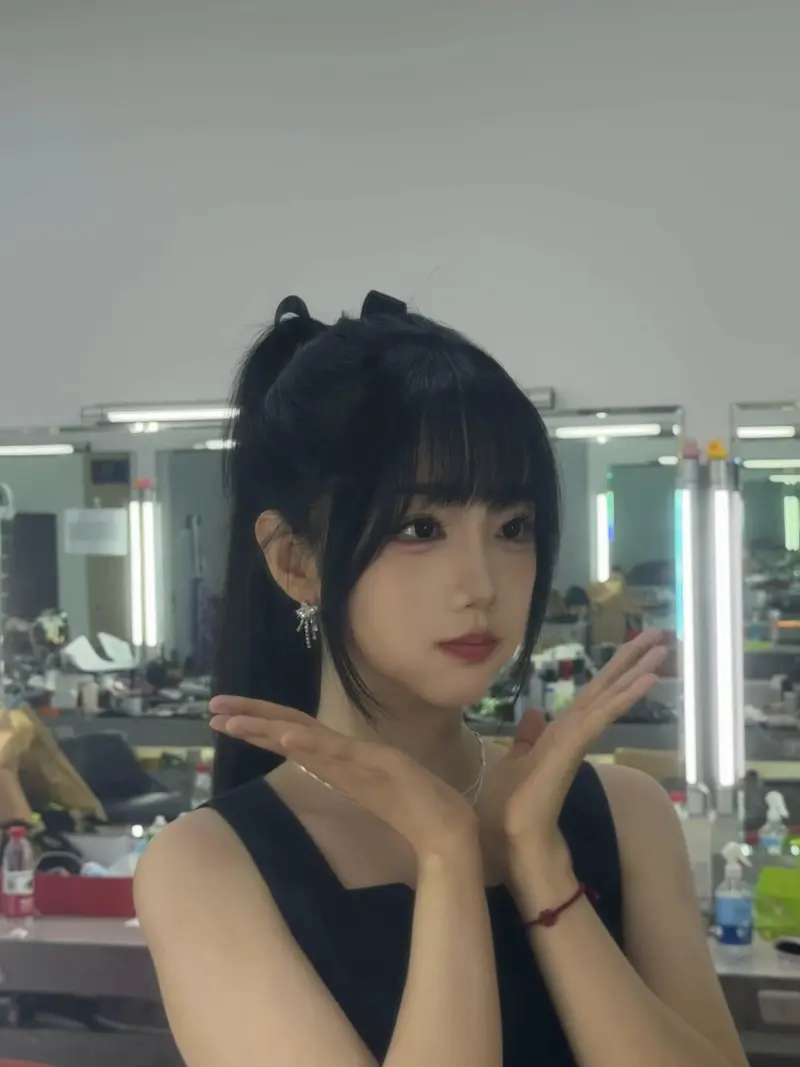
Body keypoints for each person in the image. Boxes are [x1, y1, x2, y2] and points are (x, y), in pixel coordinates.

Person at [135, 292, 746, 1067]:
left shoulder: (624, 813)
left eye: (512, 527)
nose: (481, 584)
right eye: (420, 528)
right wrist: (449, 856)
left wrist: (539, 865)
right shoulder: (207, 866)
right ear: (296, 560)